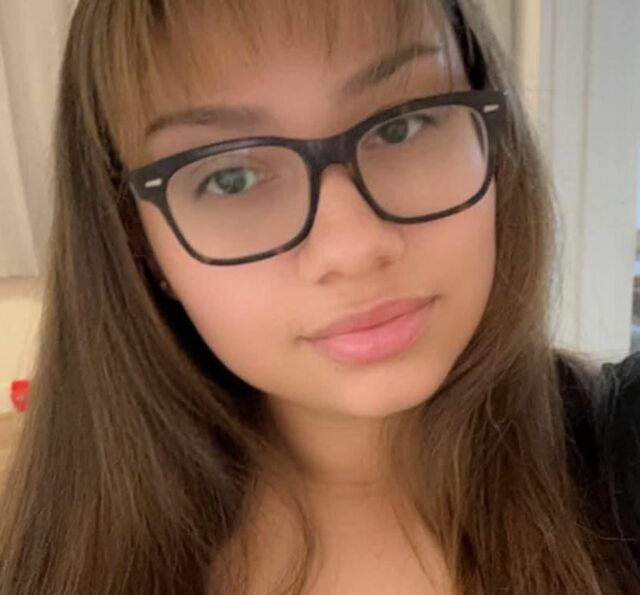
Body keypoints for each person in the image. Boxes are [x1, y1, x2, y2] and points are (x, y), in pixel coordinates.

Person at [0, 0, 638, 593]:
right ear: (138, 241)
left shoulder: (620, 459)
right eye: (231, 177)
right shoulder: (48, 560)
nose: (352, 247)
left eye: (402, 126)